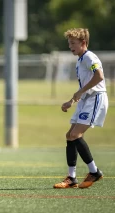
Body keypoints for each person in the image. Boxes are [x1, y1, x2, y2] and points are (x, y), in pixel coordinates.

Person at [54, 28, 108, 189]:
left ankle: (94, 172)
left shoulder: (89, 57)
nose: (70, 46)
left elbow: (99, 76)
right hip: (86, 99)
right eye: (69, 43)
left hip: (95, 98)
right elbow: (84, 85)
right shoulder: (80, 59)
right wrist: (71, 101)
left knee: (76, 134)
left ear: (83, 43)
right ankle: (72, 178)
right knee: (70, 136)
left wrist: (80, 92)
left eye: (73, 43)